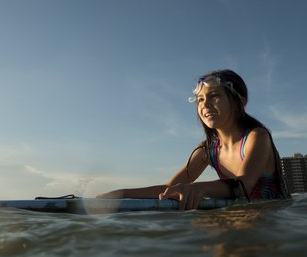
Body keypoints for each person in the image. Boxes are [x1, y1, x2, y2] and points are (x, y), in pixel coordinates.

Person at [97, 69, 290, 210]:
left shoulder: (257, 137)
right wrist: (121, 194)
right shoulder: (207, 150)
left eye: (214, 96)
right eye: (200, 100)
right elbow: (169, 189)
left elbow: (243, 185)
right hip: (237, 217)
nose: (205, 105)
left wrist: (198, 189)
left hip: (271, 223)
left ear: (240, 100)